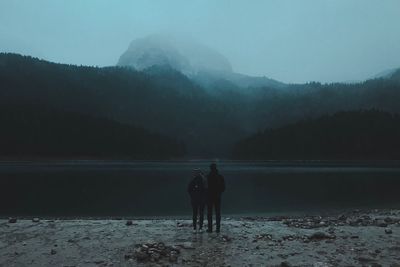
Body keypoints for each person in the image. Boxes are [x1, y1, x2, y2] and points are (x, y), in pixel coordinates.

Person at [206, 163, 225, 233]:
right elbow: (223, 188)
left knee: (209, 213)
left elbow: (205, 187)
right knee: (217, 213)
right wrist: (219, 192)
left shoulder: (208, 177)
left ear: (210, 168)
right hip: (217, 196)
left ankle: (210, 229)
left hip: (209, 197)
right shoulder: (220, 177)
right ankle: (218, 229)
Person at [187, 168, 207, 233]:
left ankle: (194, 228)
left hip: (194, 199)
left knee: (194, 214)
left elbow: (189, 190)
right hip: (201, 200)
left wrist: (192, 195)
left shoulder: (193, 180)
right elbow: (206, 190)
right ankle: (200, 228)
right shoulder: (203, 181)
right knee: (201, 214)